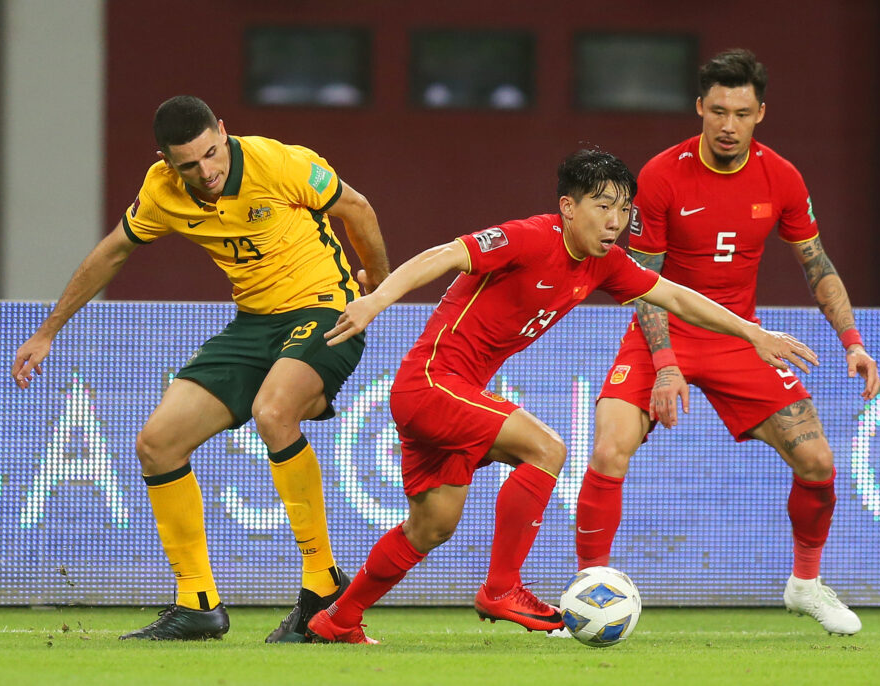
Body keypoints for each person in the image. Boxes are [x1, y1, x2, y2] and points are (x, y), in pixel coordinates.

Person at [301, 148, 818, 644]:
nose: (615, 221)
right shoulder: (529, 237)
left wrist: (753, 333)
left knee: (432, 525)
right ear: (568, 208)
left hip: (453, 395)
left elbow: (676, 296)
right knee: (548, 449)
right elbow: (444, 255)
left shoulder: (606, 264)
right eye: (602, 206)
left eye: (623, 209)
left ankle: (339, 619)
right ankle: (501, 588)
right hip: (432, 384)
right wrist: (375, 302)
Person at [10, 95, 390, 642]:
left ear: (224, 132)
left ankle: (323, 587)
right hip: (253, 325)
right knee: (157, 443)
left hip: (325, 308)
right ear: (167, 162)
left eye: (212, 154)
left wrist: (374, 290)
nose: (206, 172)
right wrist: (47, 332)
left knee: (274, 412)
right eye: (189, 164)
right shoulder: (161, 191)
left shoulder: (276, 163)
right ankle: (197, 604)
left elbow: (357, 208)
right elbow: (112, 252)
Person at [573, 49, 880, 636]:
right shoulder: (662, 174)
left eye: (740, 112)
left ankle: (806, 585)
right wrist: (665, 365)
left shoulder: (782, 177)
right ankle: (591, 592)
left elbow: (816, 263)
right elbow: (643, 283)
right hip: (662, 331)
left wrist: (853, 341)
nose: (727, 125)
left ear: (760, 112)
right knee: (609, 449)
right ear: (699, 108)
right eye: (717, 110)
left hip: (740, 337)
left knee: (817, 462)